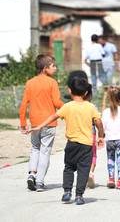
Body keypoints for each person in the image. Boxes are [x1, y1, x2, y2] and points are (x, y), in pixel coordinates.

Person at [27, 77, 105, 205]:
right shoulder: (90, 107)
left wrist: (39, 126)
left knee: (68, 168)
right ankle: (79, 195)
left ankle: (67, 192)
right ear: (86, 93)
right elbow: (98, 122)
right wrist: (101, 136)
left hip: (71, 144)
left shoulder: (67, 106)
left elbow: (53, 116)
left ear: (70, 91)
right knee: (83, 170)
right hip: (86, 145)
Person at [19, 55, 64, 192]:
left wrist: (22, 123)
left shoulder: (30, 83)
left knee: (35, 149)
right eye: (53, 66)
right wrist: (67, 108)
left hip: (34, 123)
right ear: (45, 68)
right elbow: (57, 103)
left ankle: (32, 174)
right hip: (49, 122)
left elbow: (23, 105)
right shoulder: (52, 83)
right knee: (45, 152)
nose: (55, 68)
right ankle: (39, 182)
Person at [65, 70, 98, 189]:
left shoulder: (70, 104)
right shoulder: (90, 104)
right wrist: (102, 135)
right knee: (92, 154)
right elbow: (97, 121)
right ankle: (91, 173)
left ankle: (69, 188)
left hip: (73, 136)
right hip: (90, 134)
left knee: (71, 162)